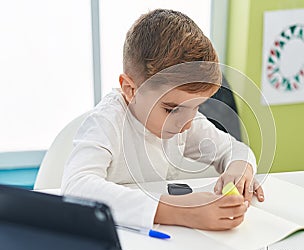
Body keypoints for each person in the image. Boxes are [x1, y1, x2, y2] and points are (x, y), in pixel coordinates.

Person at [61, 9, 264, 231]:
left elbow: (234, 149)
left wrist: (240, 169)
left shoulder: (185, 121)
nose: (187, 124)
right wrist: (179, 211)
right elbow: (75, 188)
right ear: (130, 89)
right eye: (171, 109)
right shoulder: (107, 122)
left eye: (196, 107)